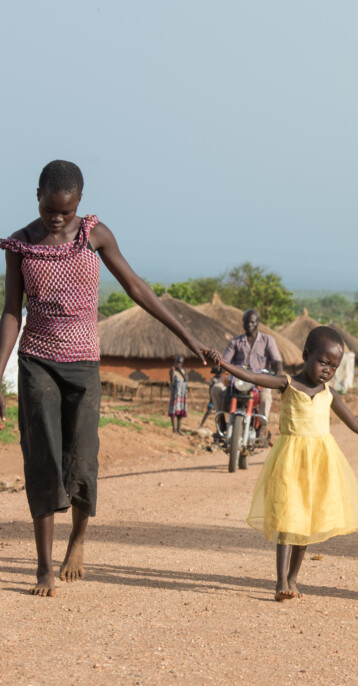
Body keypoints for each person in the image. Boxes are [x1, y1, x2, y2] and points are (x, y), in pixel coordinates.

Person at [0, 160, 210, 597]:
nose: (56, 219)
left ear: (80, 201)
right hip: (37, 358)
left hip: (84, 363)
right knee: (42, 456)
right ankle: (42, 567)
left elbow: (136, 287)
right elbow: (11, 311)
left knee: (82, 456)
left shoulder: (94, 234)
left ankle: (77, 539)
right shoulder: (20, 245)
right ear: (37, 194)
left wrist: (188, 338)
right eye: (49, 209)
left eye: (66, 210)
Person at [209, 326, 358, 601]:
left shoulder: (329, 393)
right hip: (289, 461)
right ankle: (280, 581)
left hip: (319, 465)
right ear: (306, 354)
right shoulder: (287, 384)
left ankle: (294, 578)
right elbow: (253, 376)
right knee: (288, 520)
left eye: (334, 367)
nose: (327, 370)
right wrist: (223, 363)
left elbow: (355, 424)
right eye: (323, 362)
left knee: (305, 524)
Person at [222, 309, 282, 430]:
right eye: (247, 322)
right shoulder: (235, 342)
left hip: (260, 381)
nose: (250, 325)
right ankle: (220, 420)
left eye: (253, 322)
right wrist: (220, 367)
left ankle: (262, 426)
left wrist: (278, 374)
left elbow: (276, 360)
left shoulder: (268, 340)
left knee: (265, 397)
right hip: (239, 381)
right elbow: (225, 360)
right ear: (243, 323)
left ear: (258, 322)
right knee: (217, 390)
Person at [168, 355, 188, 434]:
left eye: (180, 363)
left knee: (180, 413)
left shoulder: (184, 370)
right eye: (177, 362)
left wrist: (180, 371)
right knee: (173, 411)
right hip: (175, 394)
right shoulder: (172, 370)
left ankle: (179, 429)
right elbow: (172, 382)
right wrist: (173, 372)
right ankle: (174, 429)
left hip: (182, 395)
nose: (178, 364)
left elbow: (186, 379)